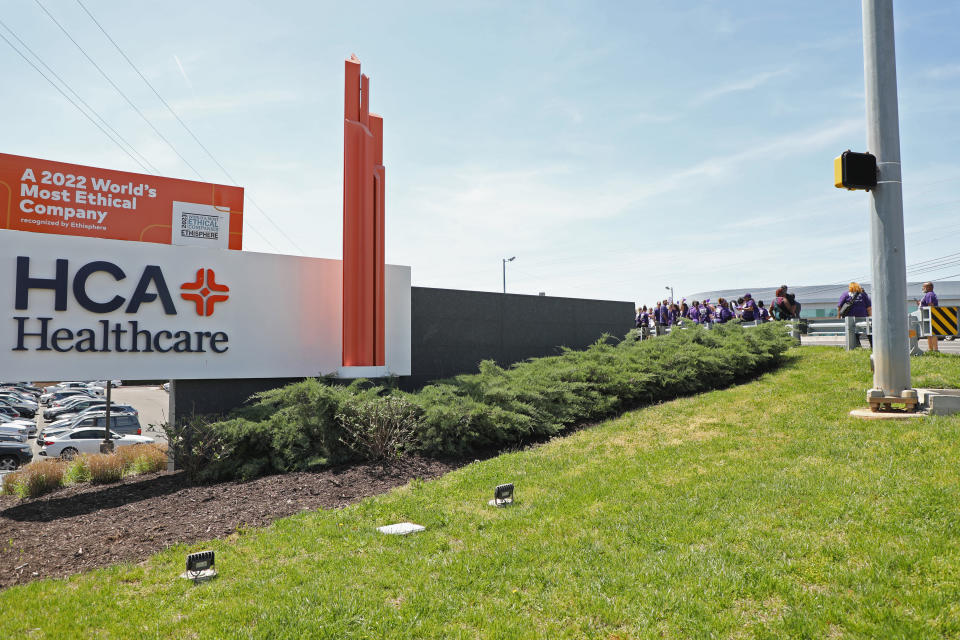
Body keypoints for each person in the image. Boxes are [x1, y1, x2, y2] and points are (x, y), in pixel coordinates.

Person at [838, 282, 872, 347]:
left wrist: (839, 316)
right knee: (869, 332)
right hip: (863, 317)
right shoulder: (863, 294)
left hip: (850, 319)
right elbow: (869, 308)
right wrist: (870, 318)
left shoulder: (845, 294)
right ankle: (873, 347)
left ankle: (858, 347)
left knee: (853, 334)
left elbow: (839, 306)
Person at [917, 281, 939, 352]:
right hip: (928, 316)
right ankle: (931, 349)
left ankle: (935, 350)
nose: (922, 288)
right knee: (929, 334)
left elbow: (930, 305)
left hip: (930, 316)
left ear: (928, 287)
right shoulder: (929, 294)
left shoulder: (929, 294)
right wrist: (920, 304)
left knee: (932, 333)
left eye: (923, 287)